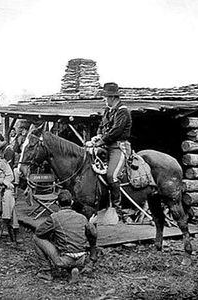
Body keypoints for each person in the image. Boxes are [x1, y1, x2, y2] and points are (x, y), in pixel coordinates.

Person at [33, 189, 97, 283]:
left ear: (57, 203)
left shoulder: (55, 217)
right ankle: (73, 270)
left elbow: (39, 232)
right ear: (72, 202)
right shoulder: (82, 217)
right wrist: (90, 224)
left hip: (64, 260)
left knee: (36, 238)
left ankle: (46, 271)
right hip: (81, 259)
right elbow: (93, 235)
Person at [92, 82, 132, 222]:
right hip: (106, 146)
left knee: (112, 176)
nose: (104, 100)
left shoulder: (123, 111)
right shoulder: (108, 110)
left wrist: (101, 141)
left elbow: (116, 131)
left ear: (112, 97)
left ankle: (117, 209)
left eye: (106, 97)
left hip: (118, 147)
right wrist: (97, 136)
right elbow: (101, 126)